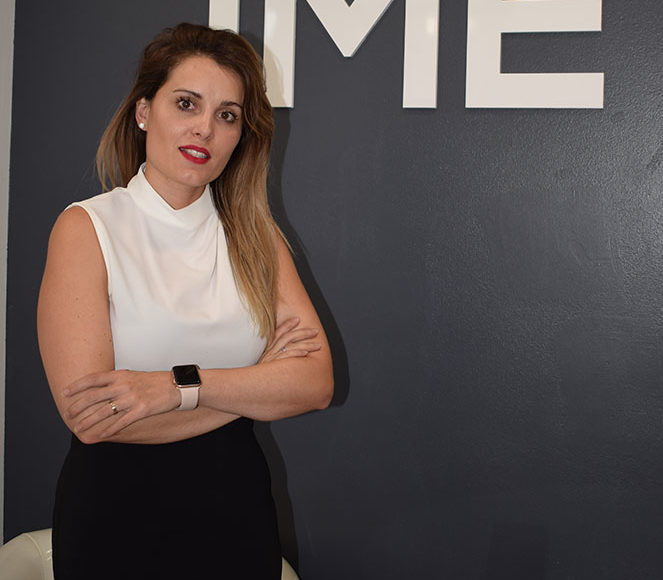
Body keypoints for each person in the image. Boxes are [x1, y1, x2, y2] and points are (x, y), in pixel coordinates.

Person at [37, 23, 333, 579]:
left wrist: (171, 388)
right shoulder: (87, 228)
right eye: (186, 103)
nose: (205, 128)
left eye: (227, 115)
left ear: (240, 136)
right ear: (143, 111)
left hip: (237, 516)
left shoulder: (256, 238)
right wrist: (254, 386)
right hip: (115, 520)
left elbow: (315, 384)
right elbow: (93, 420)